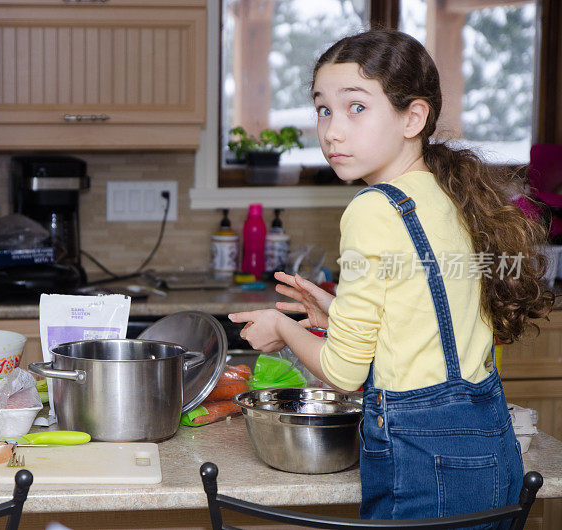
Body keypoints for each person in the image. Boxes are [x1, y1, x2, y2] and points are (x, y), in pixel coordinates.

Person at [229, 29, 553, 522]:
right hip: (491, 448)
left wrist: (284, 329)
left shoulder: (373, 210)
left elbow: (342, 372)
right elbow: (428, 317)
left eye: (356, 107)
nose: (332, 130)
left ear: (413, 117)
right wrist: (332, 312)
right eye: (323, 109)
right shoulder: (447, 194)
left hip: (424, 462)